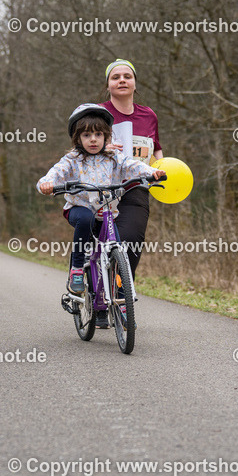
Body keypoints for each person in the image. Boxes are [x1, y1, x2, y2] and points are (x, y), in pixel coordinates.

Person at [37, 104, 165, 325]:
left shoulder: (114, 157)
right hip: (79, 210)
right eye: (87, 135)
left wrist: (152, 172)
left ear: (107, 136)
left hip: (106, 211)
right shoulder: (73, 159)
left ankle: (120, 301)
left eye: (98, 134)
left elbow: (133, 166)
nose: (93, 140)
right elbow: (55, 173)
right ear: (78, 139)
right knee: (85, 219)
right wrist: (46, 184)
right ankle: (77, 270)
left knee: (118, 249)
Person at [100, 59, 163, 279]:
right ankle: (94, 284)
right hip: (100, 188)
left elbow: (156, 150)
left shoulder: (149, 115)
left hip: (136, 187)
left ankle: (121, 293)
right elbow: (80, 148)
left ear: (135, 83)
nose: (122, 81)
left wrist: (162, 171)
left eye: (127, 76)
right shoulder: (97, 113)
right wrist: (102, 148)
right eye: (115, 77)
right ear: (107, 85)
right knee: (97, 244)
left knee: (132, 240)